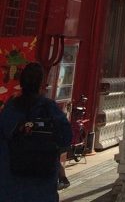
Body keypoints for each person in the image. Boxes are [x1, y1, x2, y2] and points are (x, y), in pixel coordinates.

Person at [0, 61, 72, 202]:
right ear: (41, 84)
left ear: (21, 83)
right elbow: (66, 138)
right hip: (42, 184)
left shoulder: (10, 109)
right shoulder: (49, 108)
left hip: (11, 182)